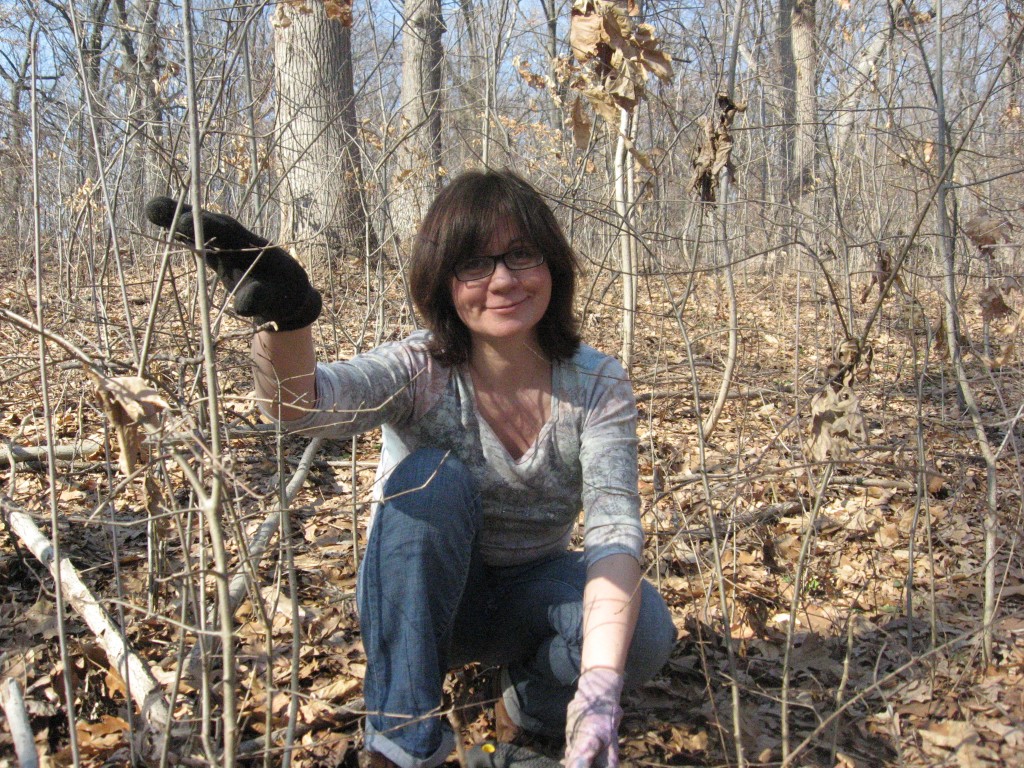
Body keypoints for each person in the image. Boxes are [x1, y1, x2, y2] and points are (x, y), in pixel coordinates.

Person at [146, 170, 676, 768]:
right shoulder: (420, 368)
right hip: (416, 597)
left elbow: (612, 528)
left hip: (528, 593)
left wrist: (600, 687)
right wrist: (285, 318)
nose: (502, 280)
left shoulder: (597, 383)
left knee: (646, 632)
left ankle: (530, 710)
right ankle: (402, 743)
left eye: (521, 255)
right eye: (473, 264)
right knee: (433, 479)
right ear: (443, 283)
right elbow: (300, 404)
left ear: (552, 266)